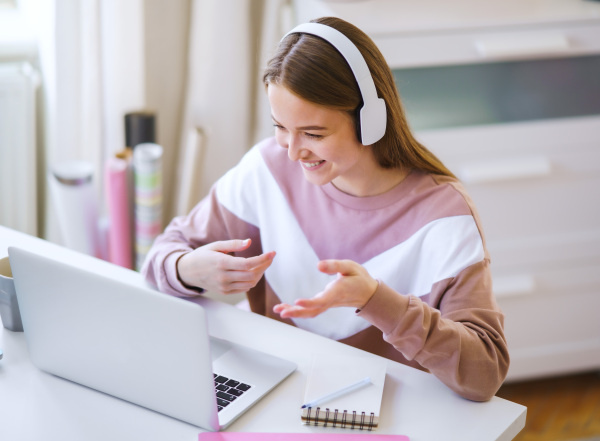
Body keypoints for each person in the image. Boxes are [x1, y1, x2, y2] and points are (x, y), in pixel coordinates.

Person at [141, 16, 509, 402]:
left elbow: (485, 374)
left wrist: (376, 301)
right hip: (276, 394)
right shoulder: (268, 167)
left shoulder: (444, 217)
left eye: (314, 134)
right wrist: (189, 269)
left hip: (382, 412)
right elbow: (163, 253)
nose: (293, 150)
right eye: (280, 126)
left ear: (371, 120)